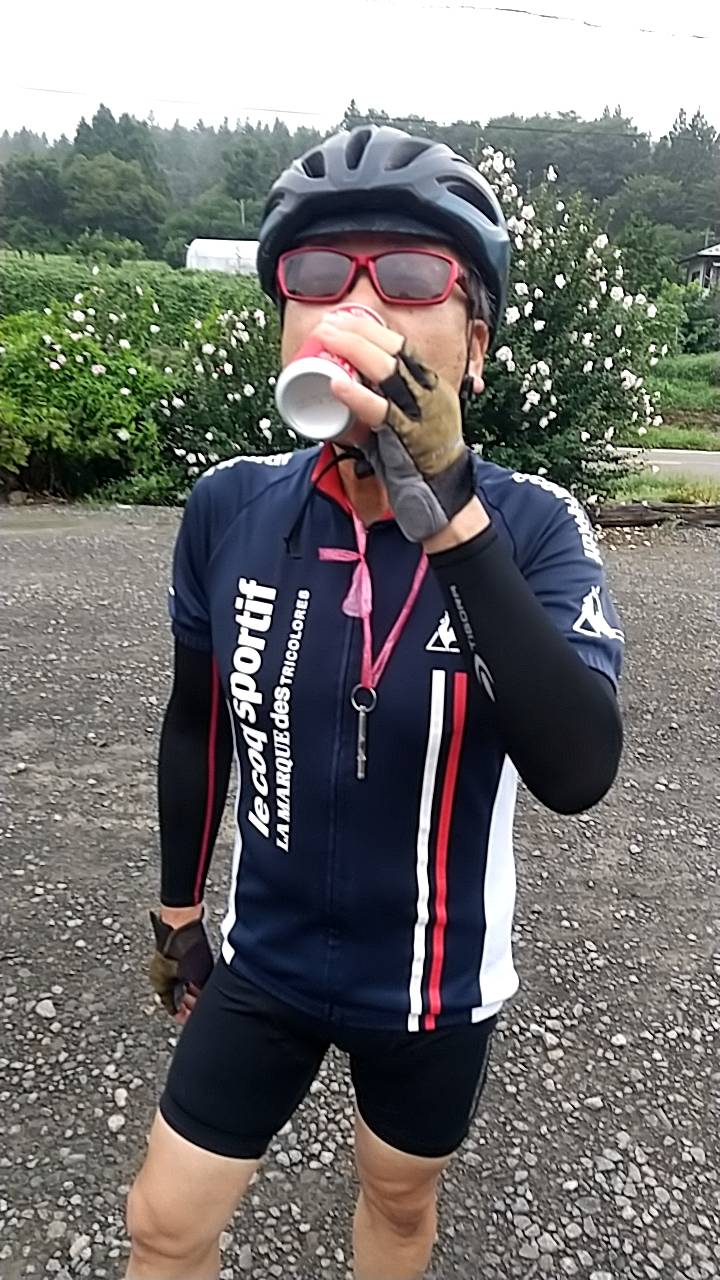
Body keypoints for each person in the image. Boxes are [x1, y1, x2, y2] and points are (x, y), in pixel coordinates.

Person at [124, 125, 624, 1280]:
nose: (356, 303)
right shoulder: (230, 506)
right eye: (316, 274)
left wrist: (449, 508)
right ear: (284, 322)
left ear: (476, 344)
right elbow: (197, 719)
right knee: (162, 1221)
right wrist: (177, 909)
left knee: (398, 1207)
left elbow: (578, 766)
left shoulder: (533, 526)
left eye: (407, 275)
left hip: (433, 980)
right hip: (268, 957)